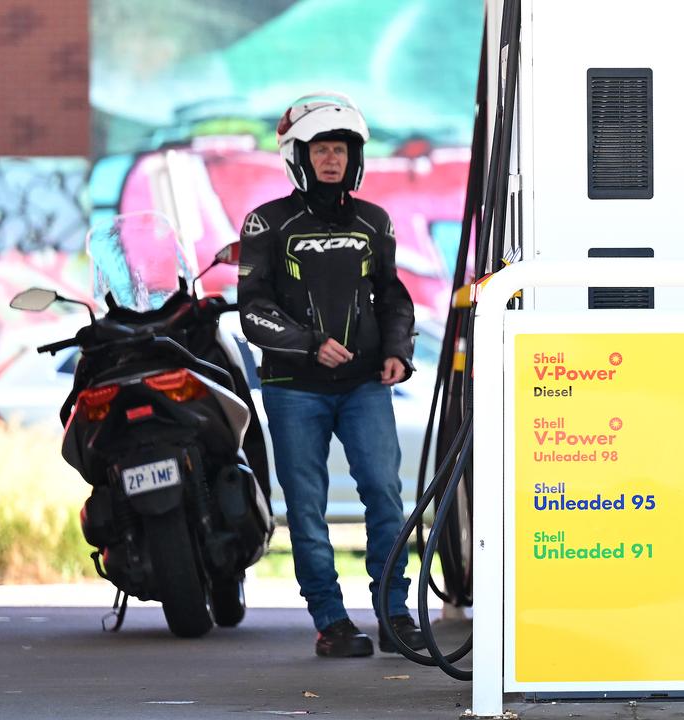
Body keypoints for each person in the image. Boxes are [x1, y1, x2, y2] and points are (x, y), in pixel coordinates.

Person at [237, 91, 427, 658]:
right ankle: (330, 621)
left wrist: (397, 350)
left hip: (367, 386)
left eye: (340, 148)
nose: (331, 159)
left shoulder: (376, 221)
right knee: (306, 505)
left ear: (354, 156)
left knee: (385, 495)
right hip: (294, 390)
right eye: (321, 148)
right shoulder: (265, 222)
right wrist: (309, 345)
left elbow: (393, 297)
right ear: (300, 154)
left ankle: (395, 613)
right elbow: (252, 310)